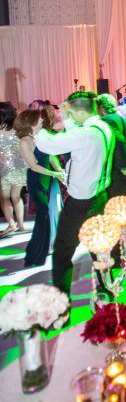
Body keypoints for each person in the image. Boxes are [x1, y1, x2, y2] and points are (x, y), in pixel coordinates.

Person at [34, 91, 115, 295]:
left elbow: (49, 144)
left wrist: (34, 129)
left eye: (70, 112)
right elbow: (78, 135)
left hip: (81, 203)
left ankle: (61, 305)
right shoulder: (102, 127)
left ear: (79, 111)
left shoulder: (85, 134)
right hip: (99, 197)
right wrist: (68, 117)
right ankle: (108, 295)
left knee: (61, 252)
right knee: (99, 249)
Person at [14, 109, 64, 267]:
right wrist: (54, 174)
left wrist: (59, 170)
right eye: (39, 119)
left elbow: (51, 156)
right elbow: (34, 166)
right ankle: (35, 254)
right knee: (43, 213)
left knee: (51, 213)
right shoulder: (24, 142)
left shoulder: (41, 137)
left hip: (49, 180)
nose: (43, 121)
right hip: (36, 181)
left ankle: (42, 250)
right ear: (31, 122)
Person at [96, 93, 126, 195]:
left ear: (101, 108)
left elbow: (119, 143)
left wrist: (124, 166)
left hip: (116, 174)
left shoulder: (105, 121)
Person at [0, 101, 28, 237]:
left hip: (4, 167)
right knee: (16, 196)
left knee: (4, 197)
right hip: (19, 166)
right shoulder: (18, 129)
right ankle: (21, 225)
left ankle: (11, 224)